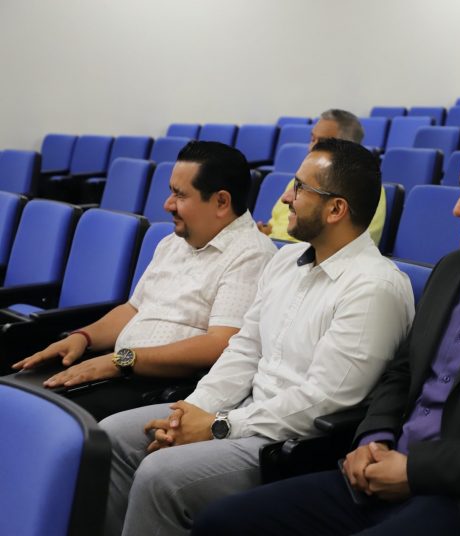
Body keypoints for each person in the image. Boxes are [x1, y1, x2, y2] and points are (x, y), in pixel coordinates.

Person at [191, 130, 460, 536]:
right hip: (381, 473)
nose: (459, 207)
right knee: (222, 522)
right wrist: (373, 439)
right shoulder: (452, 270)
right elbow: (402, 372)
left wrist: (416, 470)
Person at [100, 138, 415, 536]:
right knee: (112, 436)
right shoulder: (286, 260)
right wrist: (189, 412)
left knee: (160, 475)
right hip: (243, 413)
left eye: (300, 188)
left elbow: (322, 402)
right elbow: (244, 350)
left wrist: (217, 426)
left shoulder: (374, 288)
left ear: (336, 209)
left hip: (289, 444)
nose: (285, 198)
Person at [10, 141, 277, 420]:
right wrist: (82, 337)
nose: (167, 204)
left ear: (221, 202)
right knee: (18, 392)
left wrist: (121, 360)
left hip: (164, 387)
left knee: (41, 417)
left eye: (180, 195)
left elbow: (221, 344)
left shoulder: (251, 255)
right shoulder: (173, 242)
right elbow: (133, 309)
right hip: (122, 368)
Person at [258, 109, 386, 245]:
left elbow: (341, 243)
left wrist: (271, 241)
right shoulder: (297, 181)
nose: (312, 147)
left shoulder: (365, 190)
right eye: (313, 139)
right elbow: (274, 223)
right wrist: (265, 231)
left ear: (346, 147)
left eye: (323, 142)